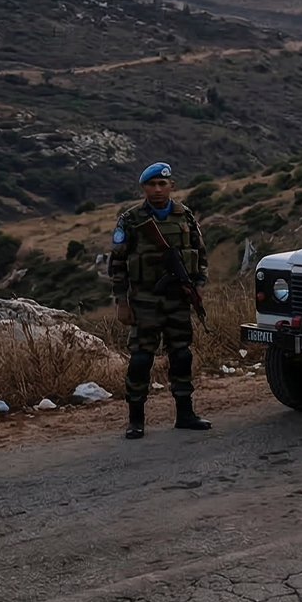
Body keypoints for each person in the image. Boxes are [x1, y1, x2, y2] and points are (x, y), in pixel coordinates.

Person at [109, 162, 213, 438]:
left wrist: (198, 286)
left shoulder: (184, 215)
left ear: (171, 186)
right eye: (151, 185)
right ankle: (136, 419)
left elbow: (200, 254)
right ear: (143, 187)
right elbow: (117, 264)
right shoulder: (131, 219)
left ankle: (185, 414)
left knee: (181, 355)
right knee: (141, 359)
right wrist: (121, 302)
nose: (157, 189)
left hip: (178, 299)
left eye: (162, 184)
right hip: (145, 301)